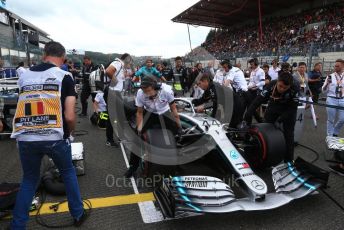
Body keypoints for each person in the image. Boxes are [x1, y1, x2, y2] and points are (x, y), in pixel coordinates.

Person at [10, 41, 86, 229]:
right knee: (68, 172)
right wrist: (71, 133)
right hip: (54, 136)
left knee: (29, 179)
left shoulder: (24, 75)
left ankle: (17, 225)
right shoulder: (65, 76)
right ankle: (78, 214)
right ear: (63, 58)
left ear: (44, 55)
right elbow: (69, 115)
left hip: (25, 135)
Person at [125, 76, 181, 178]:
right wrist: (139, 129)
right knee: (136, 138)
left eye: (148, 90)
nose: (146, 93)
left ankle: (175, 165)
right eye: (144, 91)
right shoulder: (140, 93)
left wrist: (178, 126)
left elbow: (174, 110)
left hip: (164, 113)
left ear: (155, 87)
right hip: (149, 113)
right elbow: (139, 112)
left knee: (176, 137)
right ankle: (133, 166)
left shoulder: (167, 90)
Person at [244, 72, 300, 162]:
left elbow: (293, 109)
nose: (282, 89)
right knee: (266, 128)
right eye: (280, 86)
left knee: (289, 135)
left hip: (288, 109)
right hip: (274, 105)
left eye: (285, 88)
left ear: (289, 86)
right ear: (277, 81)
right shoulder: (271, 84)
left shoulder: (295, 87)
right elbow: (259, 100)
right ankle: (266, 155)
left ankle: (289, 160)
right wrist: (249, 112)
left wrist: (280, 119)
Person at [105, 53, 133, 147]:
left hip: (116, 93)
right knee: (113, 117)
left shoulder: (121, 65)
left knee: (121, 116)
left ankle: (121, 137)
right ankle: (109, 140)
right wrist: (114, 80)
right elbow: (108, 71)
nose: (129, 65)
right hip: (113, 93)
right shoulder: (118, 63)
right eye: (130, 63)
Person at [323, 59, 344, 175]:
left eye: (337, 66)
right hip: (331, 99)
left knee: (342, 119)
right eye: (335, 66)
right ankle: (330, 137)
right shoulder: (330, 76)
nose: (335, 67)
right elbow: (323, 89)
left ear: (342, 66)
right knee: (330, 120)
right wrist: (327, 84)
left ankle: (335, 132)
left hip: (342, 100)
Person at [223, 60, 248, 128]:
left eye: (225, 67)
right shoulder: (236, 69)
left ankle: (236, 130)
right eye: (223, 68)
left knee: (237, 113)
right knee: (243, 112)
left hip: (241, 93)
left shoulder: (232, 71)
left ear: (229, 66)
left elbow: (226, 83)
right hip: (245, 91)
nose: (224, 69)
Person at [246, 58, 265, 123]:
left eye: (252, 64)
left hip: (257, 91)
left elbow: (263, 82)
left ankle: (253, 121)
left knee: (251, 107)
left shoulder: (261, 71)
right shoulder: (253, 71)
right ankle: (255, 121)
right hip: (251, 90)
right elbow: (251, 82)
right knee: (250, 107)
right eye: (250, 64)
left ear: (256, 64)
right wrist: (247, 86)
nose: (251, 66)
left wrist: (255, 87)